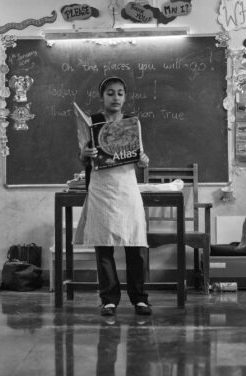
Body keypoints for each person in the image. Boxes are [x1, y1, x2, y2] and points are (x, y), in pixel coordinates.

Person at [73, 77, 152, 316]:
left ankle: (139, 298)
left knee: (135, 244)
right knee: (104, 245)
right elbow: (83, 157)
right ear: (102, 97)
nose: (115, 97)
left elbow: (139, 157)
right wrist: (84, 154)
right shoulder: (91, 123)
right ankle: (109, 299)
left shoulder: (132, 123)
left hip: (127, 188)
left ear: (125, 97)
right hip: (101, 188)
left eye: (119, 93)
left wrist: (143, 160)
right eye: (110, 93)